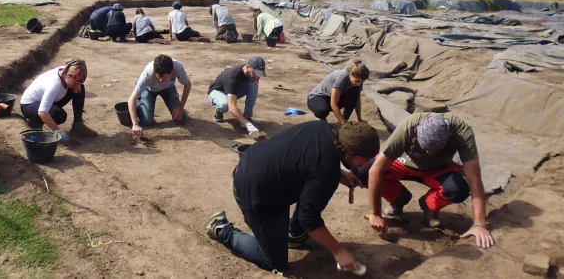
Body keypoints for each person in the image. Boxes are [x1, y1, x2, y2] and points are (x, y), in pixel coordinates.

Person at [205, 121, 380, 273]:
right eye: (364, 160)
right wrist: (339, 252)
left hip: (256, 165)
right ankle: (222, 229)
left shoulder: (324, 128)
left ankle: (295, 235)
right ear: (350, 152)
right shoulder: (326, 171)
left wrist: (340, 173)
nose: (365, 165)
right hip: (254, 191)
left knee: (314, 193)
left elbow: (306, 158)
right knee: (275, 262)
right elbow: (309, 217)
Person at [362, 113, 495, 249]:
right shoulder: (408, 127)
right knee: (362, 173)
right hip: (402, 163)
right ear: (418, 129)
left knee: (459, 190)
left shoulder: (462, 132)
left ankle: (429, 205)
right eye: (425, 147)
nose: (428, 152)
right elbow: (375, 170)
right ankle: (398, 199)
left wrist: (480, 224)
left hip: (438, 168)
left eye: (434, 149)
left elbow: (474, 180)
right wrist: (375, 213)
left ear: (448, 136)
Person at [20, 58, 98, 142]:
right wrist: (59, 132)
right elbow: (42, 112)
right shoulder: (54, 84)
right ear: (69, 76)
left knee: (80, 89)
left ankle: (78, 125)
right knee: (59, 115)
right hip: (29, 106)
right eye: (75, 83)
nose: (76, 86)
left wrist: (78, 85)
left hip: (44, 101)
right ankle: (35, 122)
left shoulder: (67, 71)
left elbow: (76, 83)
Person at [128, 54, 191, 137]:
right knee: (147, 121)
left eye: (165, 77)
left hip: (169, 87)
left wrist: (180, 108)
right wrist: (135, 124)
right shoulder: (148, 73)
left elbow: (188, 85)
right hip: (149, 89)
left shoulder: (177, 67)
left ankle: (176, 106)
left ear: (171, 71)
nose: (161, 80)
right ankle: (140, 101)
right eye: (159, 76)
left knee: (180, 119)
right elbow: (131, 99)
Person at [208, 56, 266, 139]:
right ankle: (219, 110)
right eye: (255, 73)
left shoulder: (251, 74)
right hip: (217, 91)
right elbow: (232, 107)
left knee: (254, 84)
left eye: (259, 75)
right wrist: (248, 125)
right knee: (225, 105)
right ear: (247, 67)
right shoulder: (232, 76)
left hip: (233, 90)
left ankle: (247, 117)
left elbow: (253, 81)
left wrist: (246, 121)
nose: (257, 77)